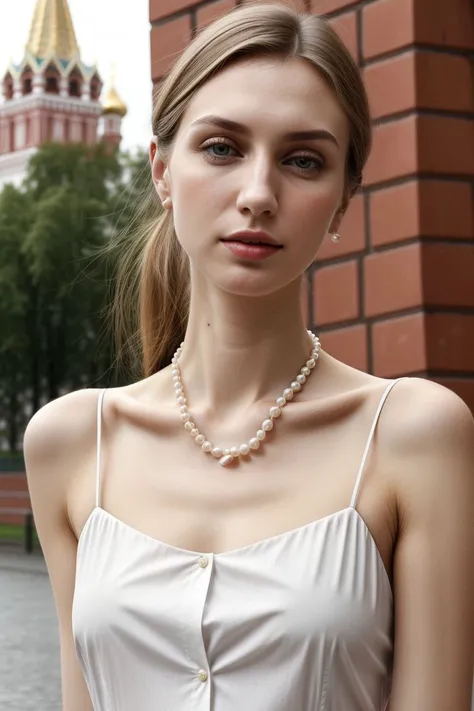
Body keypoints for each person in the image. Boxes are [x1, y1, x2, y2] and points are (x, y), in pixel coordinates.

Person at [24, 3, 474, 710]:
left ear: (341, 201)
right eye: (222, 148)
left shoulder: (414, 435)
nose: (259, 195)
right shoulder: (72, 443)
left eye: (303, 160)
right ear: (162, 171)